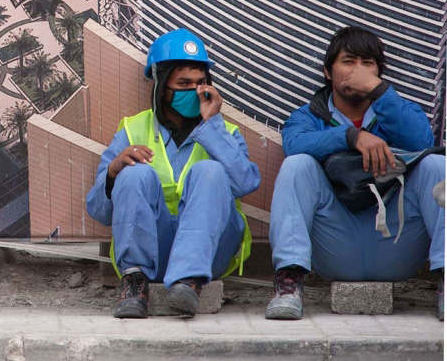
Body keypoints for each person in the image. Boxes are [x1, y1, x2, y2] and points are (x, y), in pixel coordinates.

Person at [265, 26, 444, 321]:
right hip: (336, 243)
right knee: (297, 165)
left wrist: (379, 93)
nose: (358, 71)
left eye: (367, 63)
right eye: (348, 62)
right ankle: (288, 284)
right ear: (327, 72)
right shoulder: (308, 116)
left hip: (395, 241)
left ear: (379, 74)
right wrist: (350, 137)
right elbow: (295, 144)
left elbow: (421, 141)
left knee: (436, 165)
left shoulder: (399, 110)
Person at [86, 29, 259, 318]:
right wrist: (113, 173)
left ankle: (189, 281)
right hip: (155, 248)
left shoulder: (225, 132)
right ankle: (134, 284)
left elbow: (246, 183)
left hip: (209, 254)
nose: (194, 91)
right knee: (133, 173)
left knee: (210, 170)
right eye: (183, 83)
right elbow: (99, 212)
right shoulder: (132, 129)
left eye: (200, 83)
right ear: (162, 85)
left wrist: (212, 125)